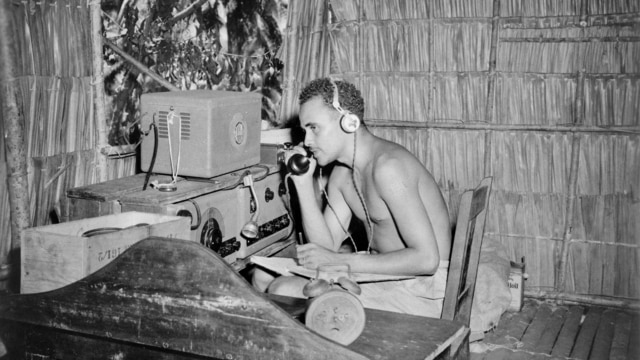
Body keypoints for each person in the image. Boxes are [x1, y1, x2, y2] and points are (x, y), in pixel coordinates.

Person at [263, 77, 452, 318]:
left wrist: (343, 261)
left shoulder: (388, 168)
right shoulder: (343, 176)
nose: (307, 141)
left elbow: (427, 260)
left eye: (314, 128)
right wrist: (302, 184)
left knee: (283, 291)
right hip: (385, 278)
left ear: (349, 122)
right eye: (304, 130)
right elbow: (326, 247)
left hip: (423, 291)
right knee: (271, 282)